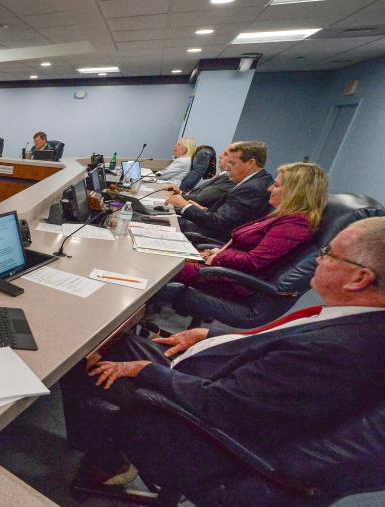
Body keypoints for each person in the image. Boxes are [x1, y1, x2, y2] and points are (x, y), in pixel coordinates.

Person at [61, 216, 385, 488]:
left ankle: (110, 458)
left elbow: (220, 404)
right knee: (101, 339)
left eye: (329, 253)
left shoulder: (337, 349)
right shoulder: (354, 321)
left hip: (199, 424)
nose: (318, 258)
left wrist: (145, 370)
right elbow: (270, 350)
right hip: (209, 373)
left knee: (74, 360)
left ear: (360, 277)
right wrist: (210, 334)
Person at [160, 162, 328, 312]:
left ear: (294, 193)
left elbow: (254, 261)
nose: (269, 189)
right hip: (222, 269)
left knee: (162, 265)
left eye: (276, 185)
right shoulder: (283, 216)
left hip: (230, 281)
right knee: (162, 254)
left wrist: (217, 257)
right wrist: (216, 252)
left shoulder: (294, 224)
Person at [167, 141, 274, 241]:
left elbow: (218, 224)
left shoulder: (252, 188)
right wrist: (204, 210)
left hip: (208, 237)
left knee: (160, 223)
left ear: (250, 163)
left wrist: (185, 206)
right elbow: (232, 218)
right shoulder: (258, 181)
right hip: (209, 231)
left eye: (232, 163)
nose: (228, 168)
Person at [165, 150, 235, 213]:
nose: (220, 156)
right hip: (189, 206)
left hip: (192, 213)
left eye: (226, 154)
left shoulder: (229, 179)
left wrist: (177, 197)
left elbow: (201, 199)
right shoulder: (222, 175)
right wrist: (180, 192)